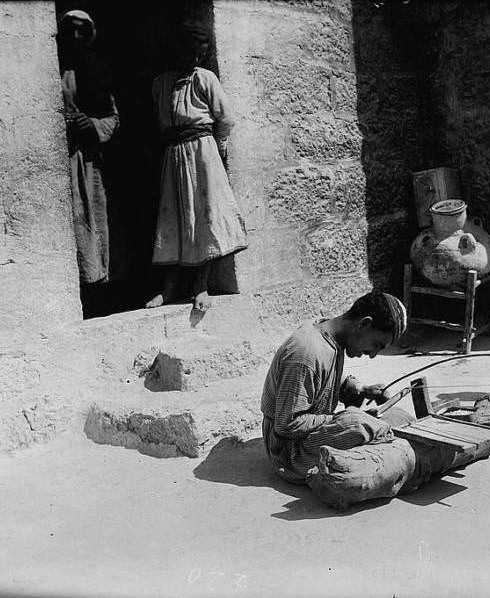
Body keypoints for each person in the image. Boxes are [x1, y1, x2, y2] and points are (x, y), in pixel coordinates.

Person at [261, 291, 414, 484]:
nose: (373, 355)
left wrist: (360, 388)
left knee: (399, 417)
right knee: (358, 425)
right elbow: (287, 424)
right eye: (376, 344)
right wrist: (340, 418)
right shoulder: (306, 353)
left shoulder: (331, 337)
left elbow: (325, 380)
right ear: (364, 324)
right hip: (288, 450)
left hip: (305, 433)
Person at [146, 21, 247, 313]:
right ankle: (168, 288)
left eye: (199, 55)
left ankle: (200, 286)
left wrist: (219, 149)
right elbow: (160, 122)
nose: (194, 59)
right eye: (189, 52)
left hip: (203, 152)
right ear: (175, 50)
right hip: (174, 155)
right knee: (174, 218)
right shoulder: (160, 83)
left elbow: (225, 118)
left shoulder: (204, 79)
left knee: (204, 215)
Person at [57, 10, 119, 290]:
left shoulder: (98, 70)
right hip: (60, 157)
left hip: (89, 157)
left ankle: (97, 284)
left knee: (93, 216)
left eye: (82, 30)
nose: (76, 35)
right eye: (70, 30)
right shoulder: (54, 67)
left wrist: (90, 123)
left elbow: (114, 119)